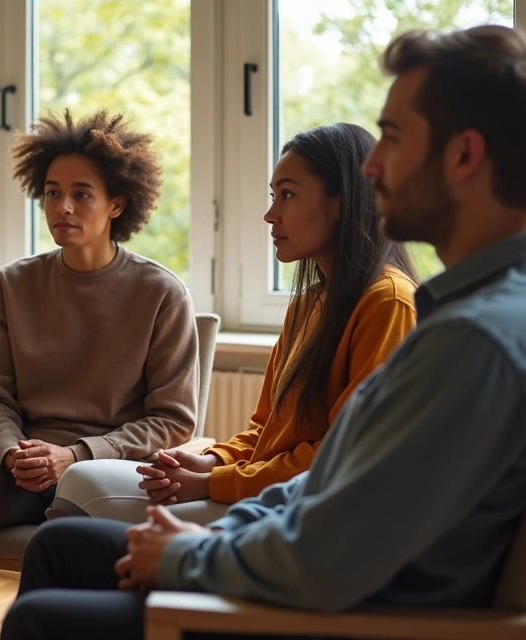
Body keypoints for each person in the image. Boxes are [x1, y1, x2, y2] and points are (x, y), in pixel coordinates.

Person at [1, 24, 526, 640]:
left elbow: (337, 553)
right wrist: (216, 525)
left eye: (395, 139)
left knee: (39, 615)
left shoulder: (477, 340)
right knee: (59, 546)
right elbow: (336, 483)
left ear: (464, 155)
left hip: (351, 615)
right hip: (323, 574)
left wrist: (192, 555)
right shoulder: (502, 307)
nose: (373, 167)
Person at [0, 109, 201, 640]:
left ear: (117, 203)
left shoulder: (160, 293)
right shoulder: (13, 284)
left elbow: (173, 420)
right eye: (51, 192)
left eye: (82, 194)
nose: (62, 207)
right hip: (19, 466)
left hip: (105, 474)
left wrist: (76, 455)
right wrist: (12, 451)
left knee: (71, 518)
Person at [51, 123, 418, 526]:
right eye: (273, 196)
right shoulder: (308, 305)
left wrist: (215, 482)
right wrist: (210, 460)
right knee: (81, 483)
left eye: (288, 195)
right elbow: (265, 431)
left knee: (84, 486)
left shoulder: (388, 302)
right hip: (260, 490)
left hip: (310, 511)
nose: (270, 214)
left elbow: (346, 454)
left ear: (341, 202)